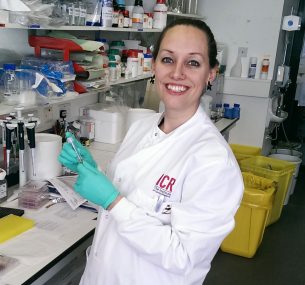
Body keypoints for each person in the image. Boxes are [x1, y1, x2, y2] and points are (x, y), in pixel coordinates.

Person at [58, 18, 244, 285]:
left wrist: (112, 200)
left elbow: (183, 258)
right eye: (168, 59)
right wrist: (92, 169)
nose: (177, 73)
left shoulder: (213, 161)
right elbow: (128, 192)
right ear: (154, 65)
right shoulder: (141, 127)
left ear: (211, 73)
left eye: (193, 62)